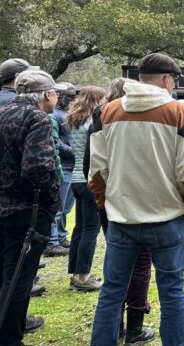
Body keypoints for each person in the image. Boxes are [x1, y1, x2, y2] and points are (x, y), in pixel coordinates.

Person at [89, 53, 184, 346]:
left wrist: (106, 204)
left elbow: (97, 171)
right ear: (166, 80)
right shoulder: (179, 112)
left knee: (112, 291)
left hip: (122, 218)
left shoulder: (108, 112)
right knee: (172, 292)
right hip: (167, 218)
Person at [84, 77, 155, 344]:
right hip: (137, 202)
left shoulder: (100, 116)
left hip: (109, 201)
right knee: (139, 264)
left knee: (116, 267)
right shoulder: (136, 118)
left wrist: (101, 199)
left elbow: (90, 166)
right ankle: (134, 328)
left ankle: (115, 330)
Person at [0, 69, 65, 344]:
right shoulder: (37, 117)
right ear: (47, 94)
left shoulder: (2, 112)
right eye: (56, 92)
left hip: (4, 206)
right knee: (19, 279)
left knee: (6, 274)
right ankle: (10, 337)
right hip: (27, 210)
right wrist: (53, 199)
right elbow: (37, 167)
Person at [65, 86, 106, 292]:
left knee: (79, 228)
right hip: (88, 179)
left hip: (75, 179)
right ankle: (83, 276)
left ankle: (75, 273)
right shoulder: (92, 123)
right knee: (91, 229)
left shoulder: (75, 121)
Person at [45, 82, 76, 257]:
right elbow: (56, 142)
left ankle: (61, 237)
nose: (72, 100)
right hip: (63, 165)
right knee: (58, 206)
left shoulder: (66, 113)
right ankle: (52, 242)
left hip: (71, 165)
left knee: (66, 207)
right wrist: (74, 152)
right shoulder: (53, 115)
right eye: (69, 97)